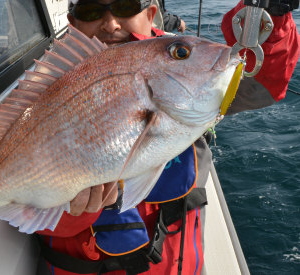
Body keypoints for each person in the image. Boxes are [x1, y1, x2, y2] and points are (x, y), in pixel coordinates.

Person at [34, 0, 300, 274]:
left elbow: (261, 84)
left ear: (151, 15)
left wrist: (272, 17)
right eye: (90, 10)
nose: (110, 23)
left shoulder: (187, 66)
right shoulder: (44, 86)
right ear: (72, 22)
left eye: (125, 6)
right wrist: (75, 211)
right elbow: (28, 207)